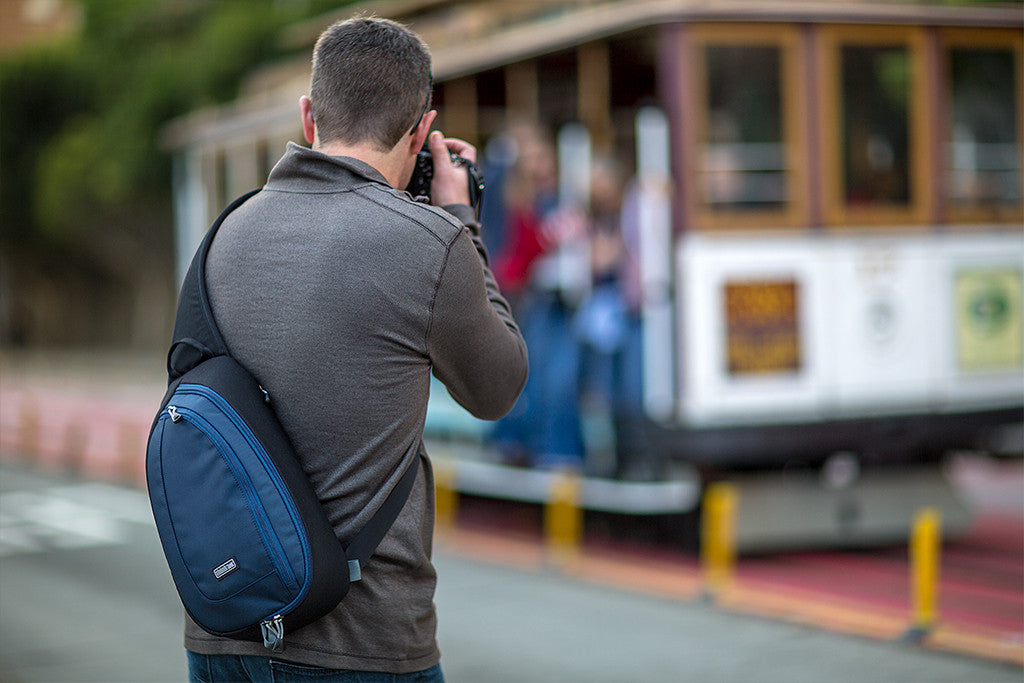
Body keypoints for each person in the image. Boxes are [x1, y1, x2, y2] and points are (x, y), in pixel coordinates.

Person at [185, 17, 528, 682]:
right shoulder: (430, 243)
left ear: (309, 114)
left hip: (221, 630)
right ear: (422, 130)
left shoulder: (220, 237)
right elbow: (498, 386)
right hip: (362, 643)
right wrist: (461, 221)